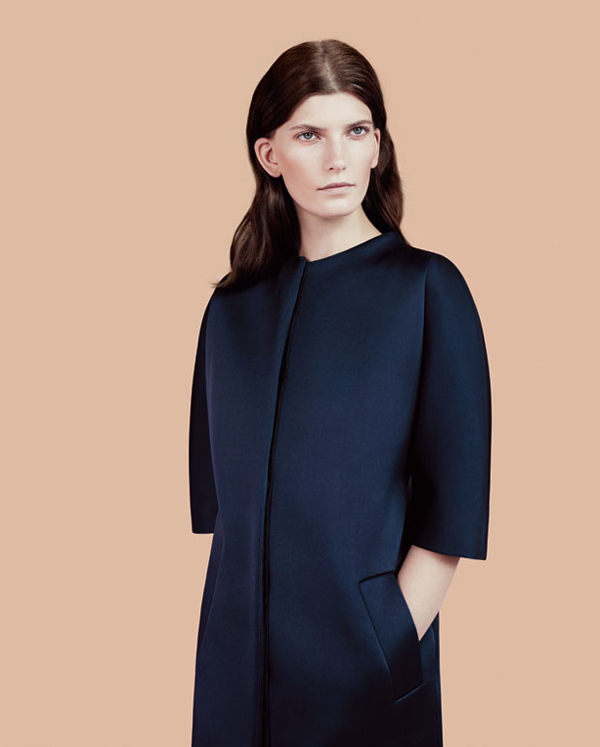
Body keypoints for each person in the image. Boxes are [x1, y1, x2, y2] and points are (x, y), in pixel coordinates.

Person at [188, 39, 492, 747]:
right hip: (232, 681)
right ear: (269, 155)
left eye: (356, 131)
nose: (337, 158)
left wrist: (384, 644)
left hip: (363, 677)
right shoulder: (229, 313)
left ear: (378, 145)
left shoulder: (428, 290)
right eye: (309, 135)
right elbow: (224, 515)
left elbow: (452, 515)